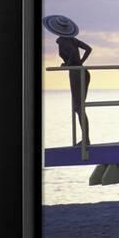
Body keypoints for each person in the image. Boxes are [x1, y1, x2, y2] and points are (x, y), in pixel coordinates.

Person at [42, 15, 92, 146]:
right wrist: (79, 63)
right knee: (79, 107)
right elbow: (88, 49)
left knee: (78, 107)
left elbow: (73, 53)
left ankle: (86, 140)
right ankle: (85, 139)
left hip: (76, 73)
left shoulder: (63, 41)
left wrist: (70, 64)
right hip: (82, 72)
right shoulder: (72, 40)